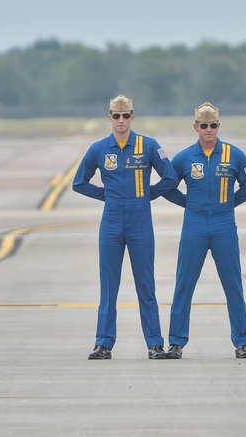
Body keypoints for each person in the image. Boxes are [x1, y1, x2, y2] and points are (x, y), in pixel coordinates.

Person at [73, 94, 179, 360]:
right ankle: (103, 343)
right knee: (109, 285)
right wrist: (105, 195)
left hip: (140, 220)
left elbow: (170, 177)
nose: (121, 120)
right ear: (110, 117)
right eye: (116, 116)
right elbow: (79, 182)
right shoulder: (99, 149)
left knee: (146, 284)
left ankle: (155, 343)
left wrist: (148, 195)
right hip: (111, 221)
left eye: (126, 115)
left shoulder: (149, 145)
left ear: (133, 117)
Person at [162, 102, 246, 359]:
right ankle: (176, 342)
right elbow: (167, 186)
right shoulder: (183, 157)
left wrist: (228, 204)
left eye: (213, 125)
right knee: (184, 284)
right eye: (203, 125)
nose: (208, 130)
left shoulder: (234, 155)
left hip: (224, 225)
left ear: (219, 126)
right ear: (195, 127)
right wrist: (188, 204)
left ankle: (242, 342)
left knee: (233, 285)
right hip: (193, 225)